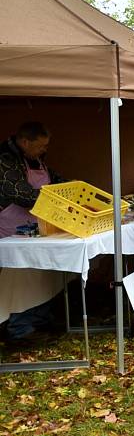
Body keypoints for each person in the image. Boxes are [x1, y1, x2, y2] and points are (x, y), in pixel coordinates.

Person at [0, 122, 64, 340]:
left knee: (43, 272)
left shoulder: (33, 156)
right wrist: (61, 200)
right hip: (11, 227)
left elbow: (54, 179)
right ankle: (19, 328)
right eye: (41, 146)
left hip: (36, 224)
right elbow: (23, 195)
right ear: (25, 141)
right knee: (21, 276)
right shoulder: (5, 159)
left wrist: (69, 187)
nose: (44, 150)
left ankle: (39, 318)